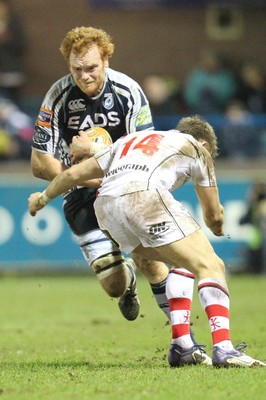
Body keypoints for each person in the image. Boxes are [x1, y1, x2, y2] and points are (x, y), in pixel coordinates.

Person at [28, 115, 266, 368]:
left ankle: (182, 345)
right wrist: (218, 227)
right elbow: (213, 215)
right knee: (212, 266)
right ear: (205, 143)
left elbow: (72, 175)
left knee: (182, 262)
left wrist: (41, 199)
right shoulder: (198, 149)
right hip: (143, 196)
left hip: (106, 209)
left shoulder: (129, 141)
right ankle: (225, 349)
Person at [30, 26, 207, 357]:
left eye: (92, 68)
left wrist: (95, 157)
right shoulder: (57, 97)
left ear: (106, 58)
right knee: (113, 286)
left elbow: (145, 151)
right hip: (81, 194)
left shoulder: (128, 92)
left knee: (152, 261)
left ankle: (184, 342)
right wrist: (83, 176)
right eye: (76, 69)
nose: (84, 76)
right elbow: (40, 163)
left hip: (127, 190)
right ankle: (125, 280)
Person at [183, 49, 236, 114]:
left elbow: (229, 94)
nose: (209, 63)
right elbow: (189, 94)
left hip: (220, 107)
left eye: (211, 60)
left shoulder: (225, 76)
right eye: (206, 61)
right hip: (197, 108)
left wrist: (214, 94)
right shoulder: (196, 75)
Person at [0, 0, 27, 104]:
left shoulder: (13, 23)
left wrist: (7, 38)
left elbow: (21, 46)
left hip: (11, 74)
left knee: (13, 105)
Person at [239, 182, 266, 274]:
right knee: (256, 256)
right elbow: (243, 220)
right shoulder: (253, 206)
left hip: (259, 235)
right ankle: (258, 271)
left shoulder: (260, 204)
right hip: (257, 235)